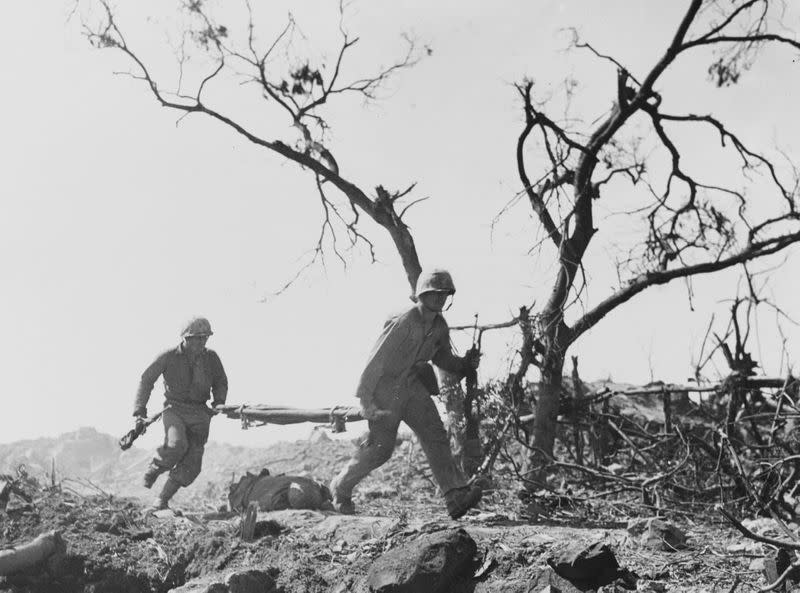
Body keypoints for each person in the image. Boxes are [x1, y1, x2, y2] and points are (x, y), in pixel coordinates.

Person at [329, 269, 482, 519]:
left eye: (444, 294)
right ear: (422, 294)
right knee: (381, 448)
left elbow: (442, 358)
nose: (440, 299)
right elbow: (377, 359)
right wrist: (366, 399)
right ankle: (340, 487)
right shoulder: (405, 320)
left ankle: (455, 495)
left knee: (435, 434)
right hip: (386, 389)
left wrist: (465, 364)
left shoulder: (440, 326)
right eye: (434, 293)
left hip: (413, 385)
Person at [133, 317, 228, 510]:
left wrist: (219, 401)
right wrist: (140, 410)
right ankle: (155, 467)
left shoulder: (212, 358)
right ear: (186, 338)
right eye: (197, 338)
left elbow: (221, 381)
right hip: (174, 410)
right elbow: (147, 379)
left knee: (193, 464)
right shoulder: (169, 356)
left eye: (205, 338)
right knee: (177, 445)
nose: (202, 342)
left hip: (200, 414)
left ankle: (162, 499)